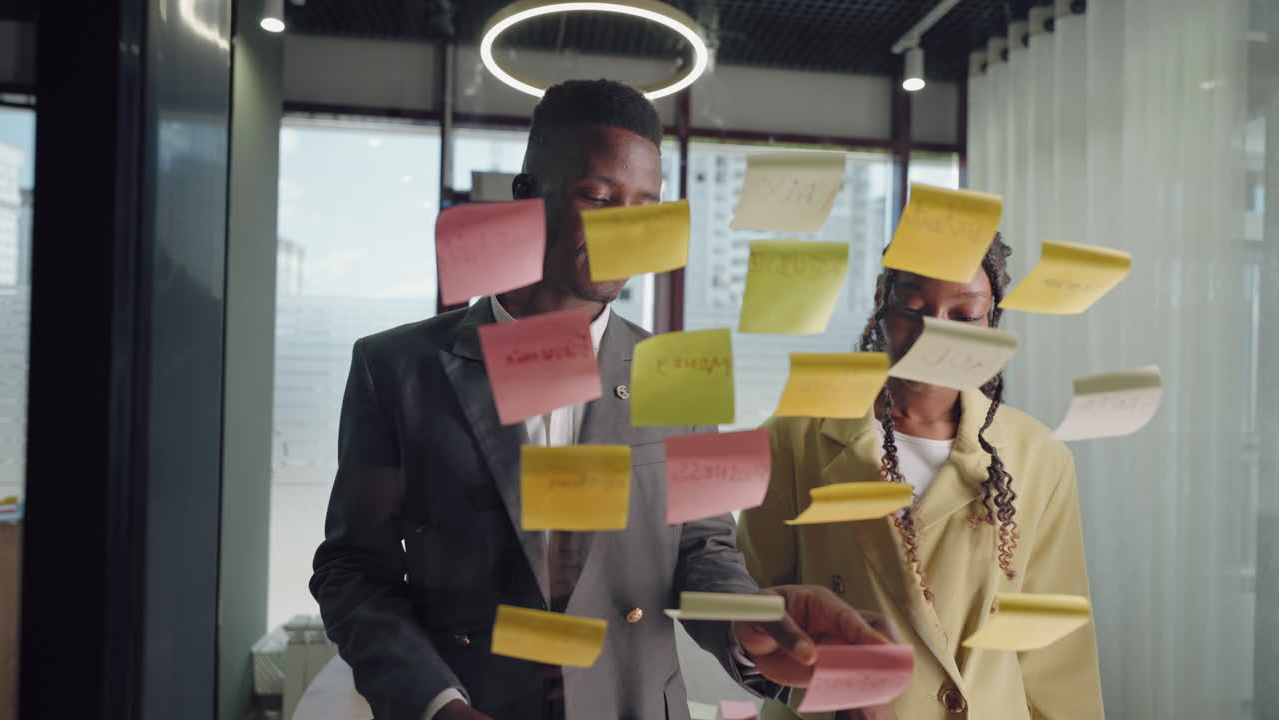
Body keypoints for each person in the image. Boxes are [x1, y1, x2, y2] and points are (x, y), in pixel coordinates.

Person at [311, 79, 892, 720]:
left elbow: (705, 550)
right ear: (528, 197)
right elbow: (353, 570)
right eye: (598, 197)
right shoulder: (397, 369)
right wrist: (436, 703)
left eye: (646, 205)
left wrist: (745, 625)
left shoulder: (681, 372)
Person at [739, 236, 1105, 719]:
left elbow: (1057, 656)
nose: (933, 333)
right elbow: (750, 613)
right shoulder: (792, 439)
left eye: (964, 316)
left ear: (991, 325)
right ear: (881, 307)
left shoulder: (1038, 457)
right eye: (912, 306)